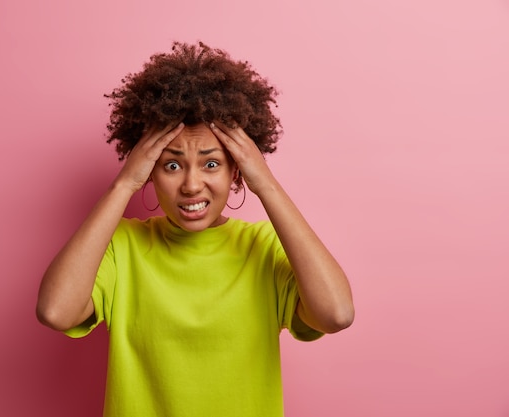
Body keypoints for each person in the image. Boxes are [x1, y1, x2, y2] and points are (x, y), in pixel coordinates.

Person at [36, 41, 354, 417]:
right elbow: (56, 312)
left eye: (211, 164)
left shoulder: (262, 247)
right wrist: (123, 185)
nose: (190, 185)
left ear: (237, 170)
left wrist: (266, 184)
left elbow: (336, 313)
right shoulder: (122, 246)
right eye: (171, 165)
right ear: (149, 171)